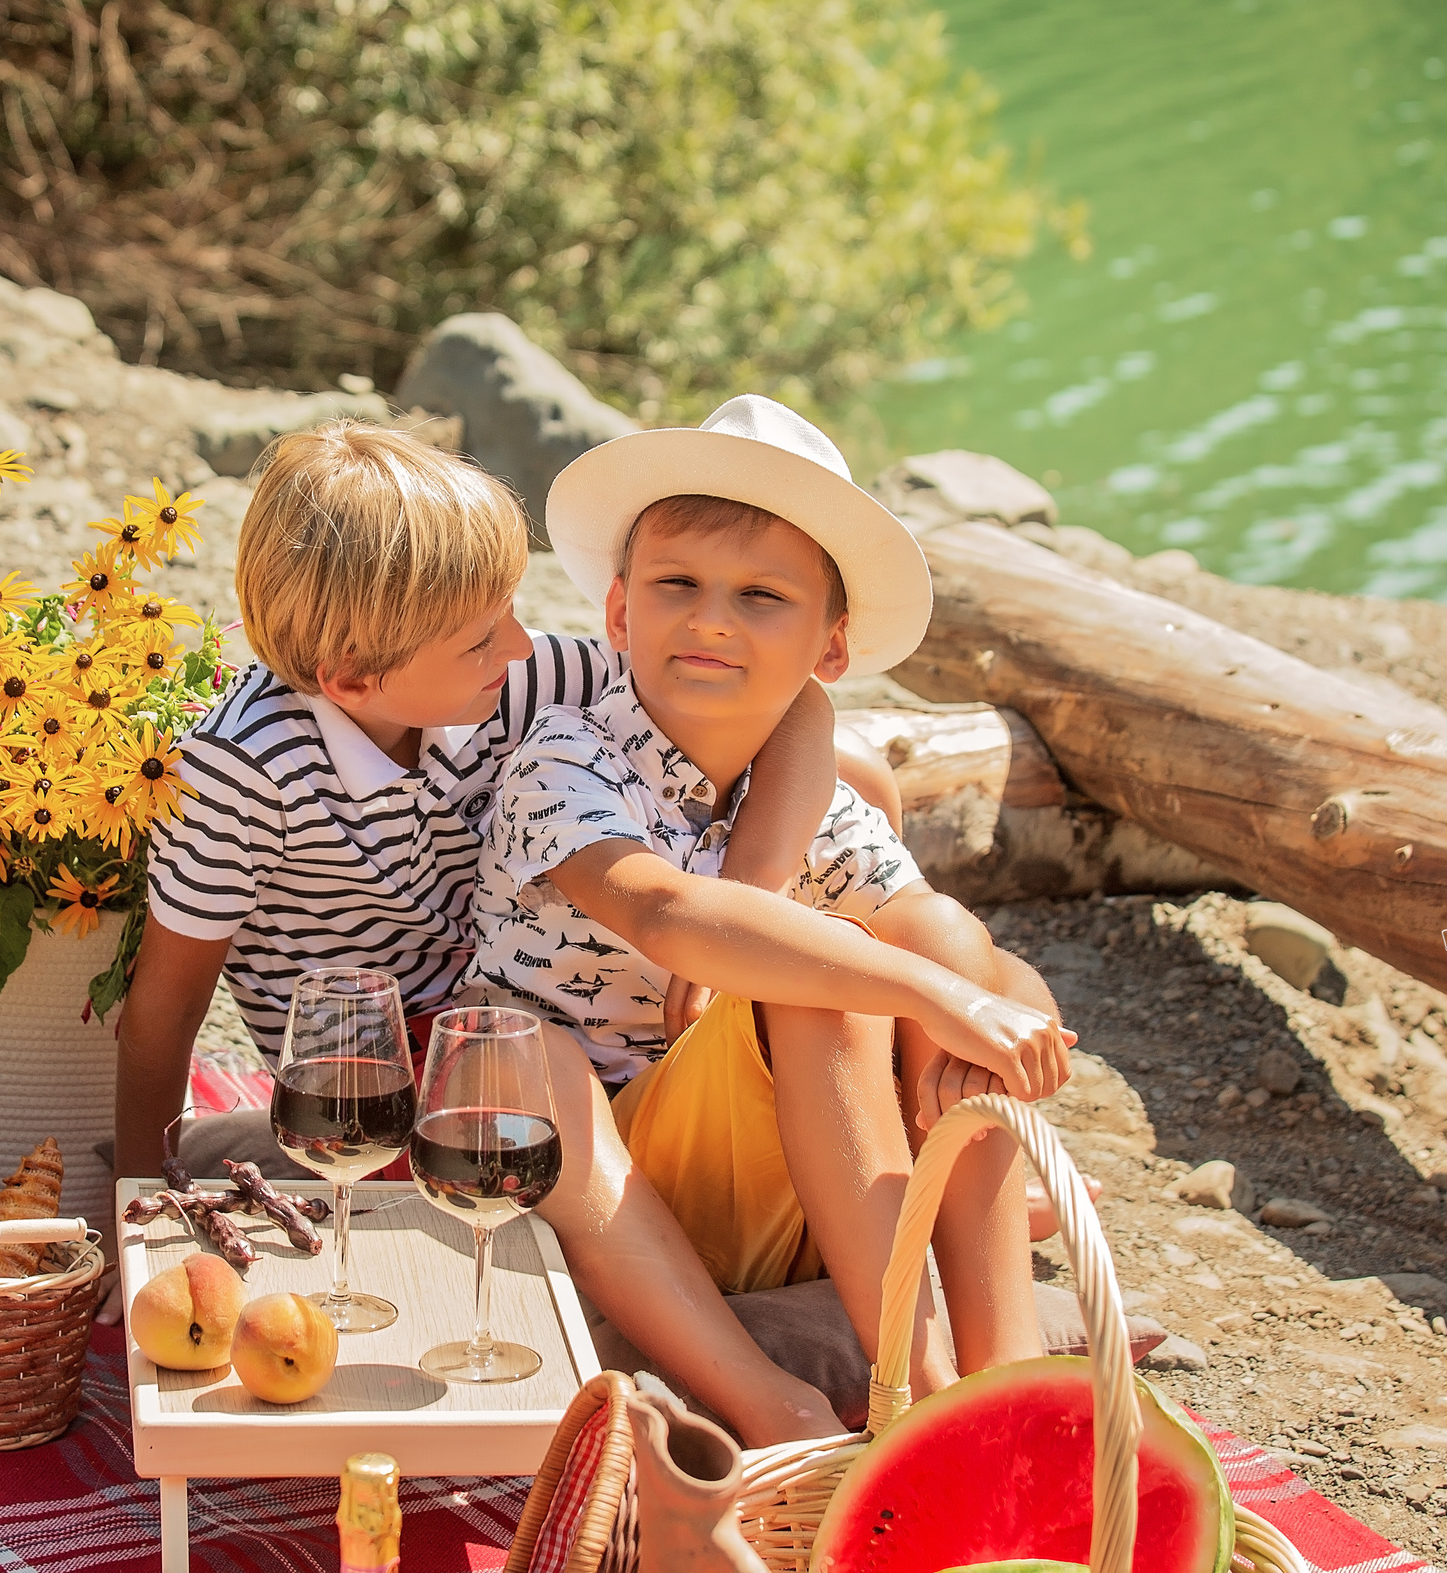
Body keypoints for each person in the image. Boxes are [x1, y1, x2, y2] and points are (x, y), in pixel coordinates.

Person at [116, 420, 864, 1444]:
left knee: (797, 981)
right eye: (484, 634)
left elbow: (800, 714)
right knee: (525, 1081)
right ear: (348, 679)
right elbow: (164, 1009)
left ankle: (874, 1214)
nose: (520, 645)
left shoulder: (510, 676)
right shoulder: (237, 772)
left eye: (508, 613)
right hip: (374, 1091)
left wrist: (758, 886)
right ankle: (756, 1367)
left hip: (536, 1020)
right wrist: (138, 1206)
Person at [463, 394, 1075, 1395]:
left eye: (760, 597)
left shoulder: (814, 804)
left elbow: (946, 954)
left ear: (828, 648)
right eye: (677, 584)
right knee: (827, 977)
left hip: (791, 1177)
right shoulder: (567, 762)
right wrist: (932, 997)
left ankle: (999, 1362)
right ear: (620, 611)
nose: (709, 617)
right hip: (617, 1178)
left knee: (943, 937)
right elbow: (665, 914)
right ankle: (914, 1385)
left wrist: (963, 989)